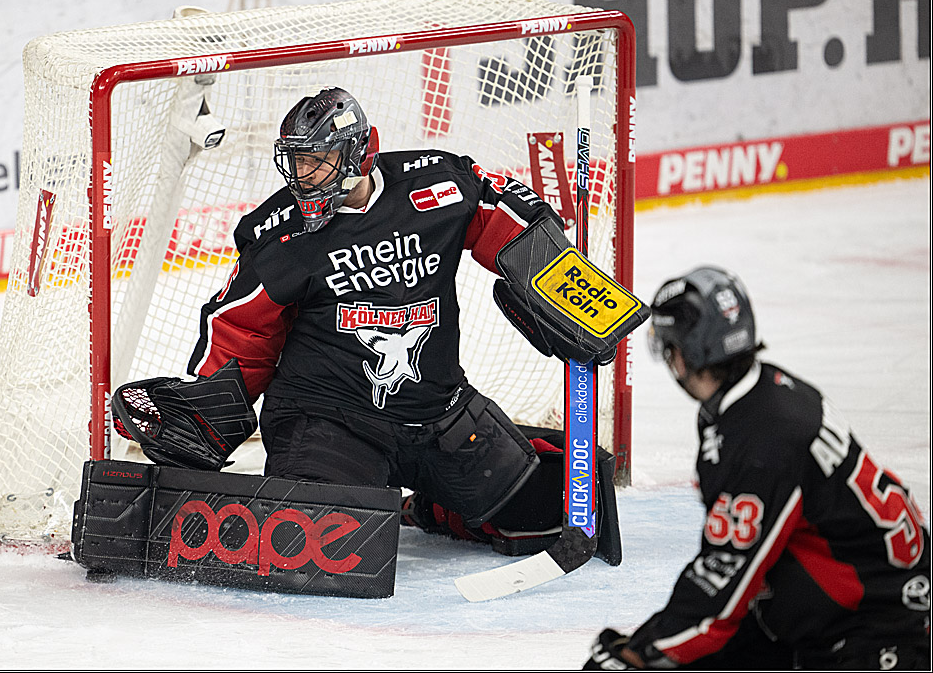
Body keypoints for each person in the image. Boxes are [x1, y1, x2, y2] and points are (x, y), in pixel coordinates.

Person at [166, 86, 616, 553]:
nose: (304, 175)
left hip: (438, 412)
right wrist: (206, 411)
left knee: (538, 517)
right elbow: (241, 326)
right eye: (297, 161)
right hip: (329, 419)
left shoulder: (437, 183)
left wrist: (570, 288)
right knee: (320, 544)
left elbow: (505, 212)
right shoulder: (280, 232)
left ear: (362, 152)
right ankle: (364, 491)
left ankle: (433, 508)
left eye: (319, 160)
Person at [584, 266, 930, 670]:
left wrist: (643, 652)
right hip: (839, 608)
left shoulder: (763, 436)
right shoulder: (761, 395)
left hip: (878, 630)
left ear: (688, 352)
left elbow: (724, 583)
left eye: (669, 347)